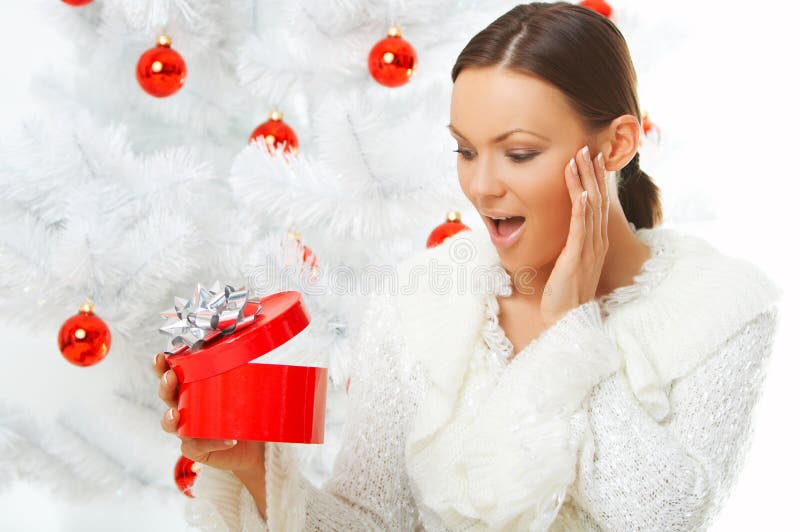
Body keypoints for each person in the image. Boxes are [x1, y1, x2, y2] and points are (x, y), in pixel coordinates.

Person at [153, 2, 783, 530]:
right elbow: (373, 519)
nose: (482, 188)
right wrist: (255, 470)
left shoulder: (718, 309)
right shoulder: (424, 300)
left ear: (616, 145)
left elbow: (661, 519)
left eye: (518, 153)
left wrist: (571, 330)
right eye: (464, 150)